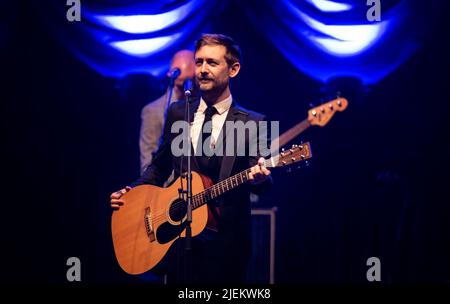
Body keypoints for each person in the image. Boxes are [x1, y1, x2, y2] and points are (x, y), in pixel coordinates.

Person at [111, 34, 272, 284]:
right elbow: (159, 166)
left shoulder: (253, 122)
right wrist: (132, 192)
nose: (202, 70)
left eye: (212, 63)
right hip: (177, 243)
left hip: (226, 247)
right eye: (199, 62)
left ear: (234, 69)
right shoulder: (179, 112)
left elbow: (263, 185)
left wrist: (261, 178)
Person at [139, 50, 195, 174]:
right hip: (167, 188)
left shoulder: (204, 106)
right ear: (170, 74)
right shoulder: (153, 111)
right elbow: (147, 162)